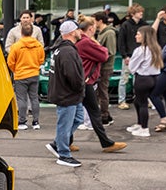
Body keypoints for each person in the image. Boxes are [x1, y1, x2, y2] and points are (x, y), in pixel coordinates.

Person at [73, 20, 127, 154]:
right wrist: (99, 46)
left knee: (75, 114)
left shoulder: (80, 42)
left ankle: (64, 141)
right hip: (86, 82)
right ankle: (106, 143)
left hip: (82, 81)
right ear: (91, 28)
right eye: (95, 28)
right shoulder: (86, 42)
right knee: (93, 113)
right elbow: (104, 55)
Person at [45, 20, 87, 168]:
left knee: (78, 118)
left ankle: (58, 143)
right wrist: (80, 87)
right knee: (65, 123)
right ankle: (63, 154)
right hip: (68, 94)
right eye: (78, 29)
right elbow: (72, 75)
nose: (80, 32)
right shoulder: (67, 51)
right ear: (71, 32)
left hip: (66, 93)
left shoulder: (61, 49)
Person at [126, 26, 162, 138]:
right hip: (154, 78)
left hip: (142, 79)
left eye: (138, 34)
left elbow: (132, 67)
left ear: (144, 36)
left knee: (142, 104)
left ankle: (144, 128)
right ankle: (139, 123)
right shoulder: (156, 49)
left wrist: (130, 63)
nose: (136, 36)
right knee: (138, 101)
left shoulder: (140, 50)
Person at [6, 22, 44, 130]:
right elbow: (41, 60)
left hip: (20, 75)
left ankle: (22, 121)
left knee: (21, 99)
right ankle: (36, 122)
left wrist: (16, 70)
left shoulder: (16, 46)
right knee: (34, 98)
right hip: (34, 74)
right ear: (32, 32)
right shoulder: (38, 45)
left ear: (21, 32)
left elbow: (10, 62)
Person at [116, 4, 145, 109]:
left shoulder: (143, 24)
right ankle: (121, 101)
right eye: (139, 12)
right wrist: (124, 56)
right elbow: (121, 41)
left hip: (141, 56)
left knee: (137, 79)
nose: (141, 13)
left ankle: (138, 98)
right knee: (124, 78)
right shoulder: (125, 25)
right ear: (133, 14)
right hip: (129, 55)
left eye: (141, 11)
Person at [92, 12, 116, 125]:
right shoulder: (101, 33)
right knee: (99, 91)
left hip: (105, 66)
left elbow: (110, 52)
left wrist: (98, 58)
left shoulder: (109, 33)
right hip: (100, 66)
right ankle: (104, 114)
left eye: (94, 21)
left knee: (102, 91)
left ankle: (104, 115)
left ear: (100, 21)